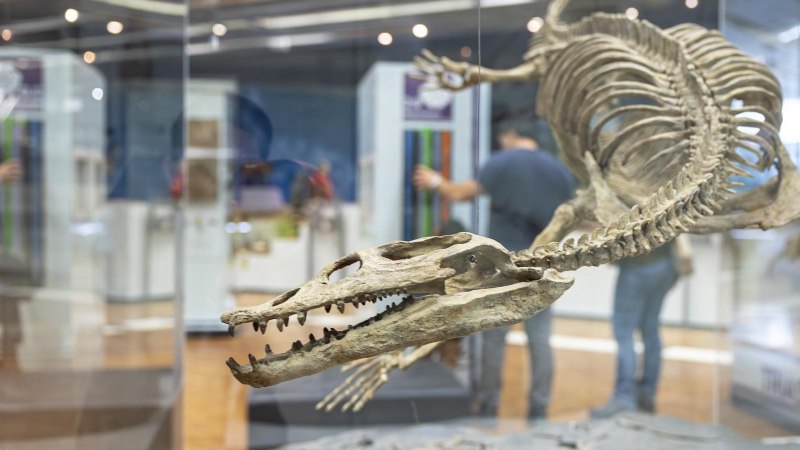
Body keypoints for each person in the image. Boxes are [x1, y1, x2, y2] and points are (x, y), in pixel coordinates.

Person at [413, 120, 575, 419]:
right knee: (539, 339)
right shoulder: (560, 173)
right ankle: (539, 407)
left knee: (494, 337)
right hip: (543, 265)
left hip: (502, 266)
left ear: (511, 135)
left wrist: (436, 181)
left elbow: (462, 193)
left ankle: (488, 405)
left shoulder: (503, 162)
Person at [590, 245, 679, 418]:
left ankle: (624, 397)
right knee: (650, 329)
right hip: (664, 264)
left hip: (638, 265)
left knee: (624, 331)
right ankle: (647, 392)